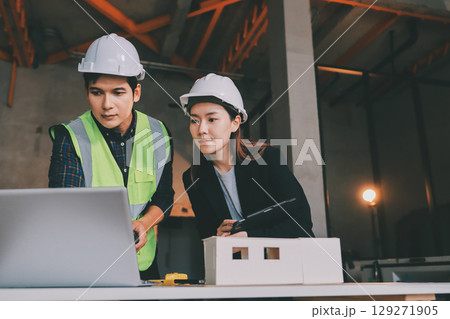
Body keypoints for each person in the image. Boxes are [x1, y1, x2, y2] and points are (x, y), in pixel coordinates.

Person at [48, 33, 174, 280]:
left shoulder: (158, 133)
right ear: (87, 92)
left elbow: (165, 195)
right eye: (97, 92)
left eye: (118, 92)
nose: (107, 104)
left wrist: (144, 223)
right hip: (87, 266)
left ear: (136, 92)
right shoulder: (71, 136)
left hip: (144, 266)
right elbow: (65, 206)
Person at [180, 73, 313, 240]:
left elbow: (302, 225)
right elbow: (206, 232)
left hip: (282, 261)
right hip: (235, 264)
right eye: (195, 120)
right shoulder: (193, 178)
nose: (201, 130)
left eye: (212, 119)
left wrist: (250, 236)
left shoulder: (267, 159)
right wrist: (217, 234)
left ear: (235, 123)